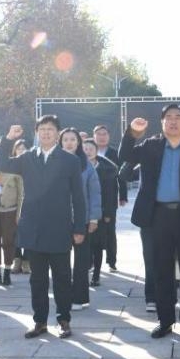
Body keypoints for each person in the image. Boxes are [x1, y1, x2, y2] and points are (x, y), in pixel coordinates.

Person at [120, 104, 180, 339]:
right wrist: (132, 133)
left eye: (178, 117)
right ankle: (165, 321)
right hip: (157, 216)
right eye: (168, 117)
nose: (173, 121)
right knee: (161, 270)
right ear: (162, 122)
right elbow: (125, 156)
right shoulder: (150, 146)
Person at [0, 116, 86, 339]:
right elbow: (1, 164)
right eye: (42, 129)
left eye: (50, 129)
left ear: (58, 133)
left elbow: (78, 197)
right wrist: (8, 139)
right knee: (37, 279)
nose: (46, 133)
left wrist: (79, 228)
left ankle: (63, 320)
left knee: (62, 278)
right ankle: (40, 321)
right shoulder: (27, 157)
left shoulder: (70, 160)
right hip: (33, 228)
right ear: (36, 133)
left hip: (59, 228)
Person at [60, 128, 101, 310]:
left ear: (78, 143)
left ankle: (79, 298)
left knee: (81, 261)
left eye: (73, 139)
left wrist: (94, 218)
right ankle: (64, 296)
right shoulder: (55, 163)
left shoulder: (86, 165)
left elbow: (95, 194)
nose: (69, 143)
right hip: (59, 219)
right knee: (61, 261)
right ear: (60, 142)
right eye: (65, 139)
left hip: (81, 219)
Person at [0, 143, 23, 286]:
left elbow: (21, 193)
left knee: (9, 242)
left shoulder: (15, 168)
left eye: (2, 150)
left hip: (10, 210)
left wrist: (19, 213)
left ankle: (7, 273)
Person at [85, 138, 120, 287]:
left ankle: (96, 275)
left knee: (97, 245)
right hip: (83, 213)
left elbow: (111, 193)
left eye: (91, 149)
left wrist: (108, 214)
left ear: (96, 151)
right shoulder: (77, 167)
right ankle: (85, 269)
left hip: (100, 212)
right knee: (85, 245)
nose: (88, 151)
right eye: (85, 149)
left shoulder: (106, 169)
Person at [92, 125, 127, 272]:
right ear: (94, 136)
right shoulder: (88, 151)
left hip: (109, 196)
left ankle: (111, 261)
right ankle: (91, 262)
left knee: (110, 230)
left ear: (108, 136)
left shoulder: (114, 153)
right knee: (92, 231)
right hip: (91, 197)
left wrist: (123, 195)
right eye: (99, 134)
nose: (101, 137)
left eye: (104, 134)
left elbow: (122, 175)